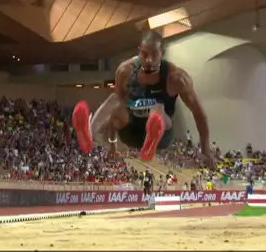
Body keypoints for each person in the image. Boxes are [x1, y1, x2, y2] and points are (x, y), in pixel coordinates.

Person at [72, 30, 213, 166]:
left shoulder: (176, 78)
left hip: (162, 133)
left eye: (154, 54)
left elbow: (199, 114)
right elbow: (114, 115)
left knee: (158, 107)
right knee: (115, 99)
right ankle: (89, 134)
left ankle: (152, 138)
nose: (149, 60)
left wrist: (205, 150)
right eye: (144, 54)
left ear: (162, 53)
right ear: (139, 51)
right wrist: (112, 145)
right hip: (130, 129)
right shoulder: (124, 71)